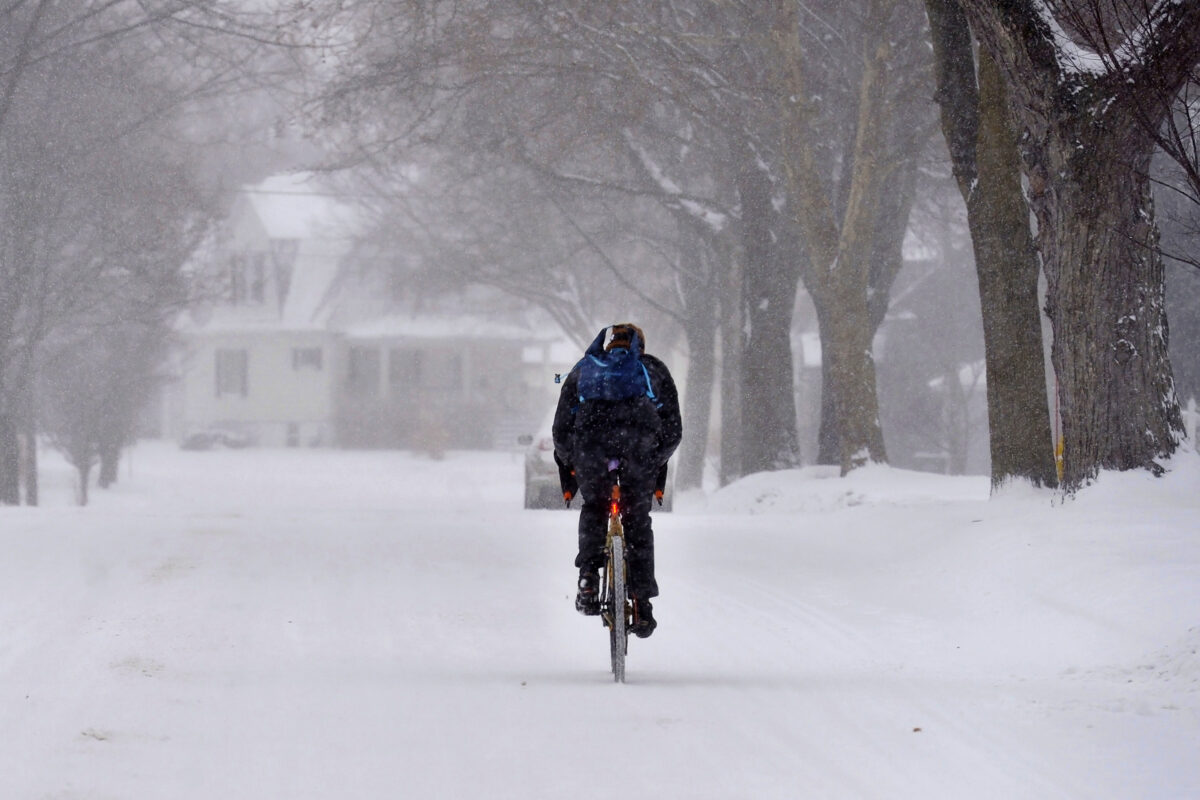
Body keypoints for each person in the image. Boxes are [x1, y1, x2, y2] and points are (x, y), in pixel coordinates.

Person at [552, 323, 681, 638]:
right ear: (641, 346)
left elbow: (561, 429)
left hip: (592, 448)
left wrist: (573, 460)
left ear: (605, 346)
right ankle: (642, 602)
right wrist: (655, 456)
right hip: (638, 448)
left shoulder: (583, 369)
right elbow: (673, 427)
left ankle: (588, 578)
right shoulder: (654, 370)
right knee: (637, 520)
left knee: (596, 506)